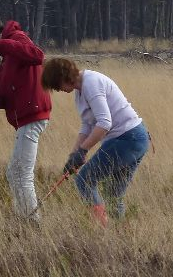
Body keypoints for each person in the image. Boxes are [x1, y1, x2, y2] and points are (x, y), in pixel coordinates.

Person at [40, 58, 150, 227]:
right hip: (133, 139)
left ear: (64, 77)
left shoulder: (91, 84)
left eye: (57, 85)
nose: (59, 90)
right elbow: (87, 125)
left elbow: (105, 124)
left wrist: (82, 151)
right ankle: (119, 236)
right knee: (113, 194)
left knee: (84, 180)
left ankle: (101, 229)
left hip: (128, 138)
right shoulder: (80, 91)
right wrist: (73, 155)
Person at [0, 15, 52, 224]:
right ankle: (22, 218)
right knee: (13, 173)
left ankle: (33, 222)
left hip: (33, 116)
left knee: (21, 173)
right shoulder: (7, 57)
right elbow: (14, 90)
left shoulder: (17, 38)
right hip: (24, 118)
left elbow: (37, 55)